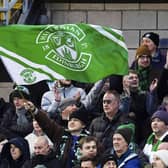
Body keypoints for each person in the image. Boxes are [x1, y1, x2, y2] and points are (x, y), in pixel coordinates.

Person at [23, 101, 90, 168]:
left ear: (83, 125)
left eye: (75, 120)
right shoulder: (61, 134)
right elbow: (47, 123)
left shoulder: (89, 139)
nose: (72, 122)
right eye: (70, 120)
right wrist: (35, 111)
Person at [120, 69, 158, 145]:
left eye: (136, 77)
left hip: (145, 132)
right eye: (131, 78)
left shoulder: (146, 94)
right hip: (130, 134)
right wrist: (127, 96)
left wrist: (152, 93)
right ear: (124, 82)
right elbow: (123, 113)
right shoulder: (121, 97)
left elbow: (151, 111)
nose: (134, 79)